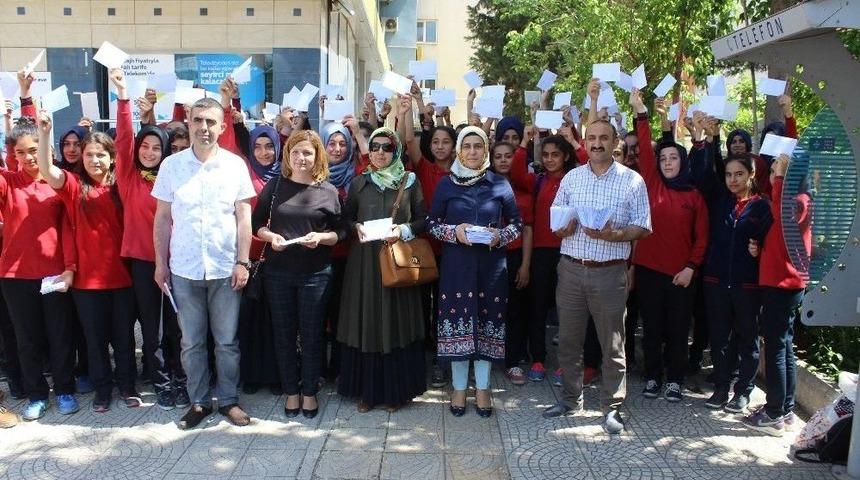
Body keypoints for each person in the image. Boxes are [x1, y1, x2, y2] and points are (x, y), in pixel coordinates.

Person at [152, 97, 256, 429]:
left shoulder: (235, 165)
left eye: (211, 122)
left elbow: (243, 218)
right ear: (189, 122)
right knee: (191, 341)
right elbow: (162, 219)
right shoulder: (171, 166)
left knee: (226, 341)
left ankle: (228, 400)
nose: (204, 128)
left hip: (226, 268)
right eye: (198, 121)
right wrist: (160, 263)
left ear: (222, 127)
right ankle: (198, 402)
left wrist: (243, 262)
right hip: (184, 269)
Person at [542, 118, 651, 435]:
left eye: (604, 137)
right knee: (569, 341)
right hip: (572, 268)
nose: (597, 143)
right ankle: (570, 399)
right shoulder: (572, 178)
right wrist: (563, 226)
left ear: (615, 141)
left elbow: (643, 226)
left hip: (609, 272)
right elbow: (557, 218)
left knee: (612, 344)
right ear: (585, 142)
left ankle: (612, 407)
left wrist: (614, 234)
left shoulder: (632, 181)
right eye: (591, 138)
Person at [36, 113, 138, 414]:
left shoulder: (123, 186)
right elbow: (47, 169)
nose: (94, 160)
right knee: (95, 342)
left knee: (123, 339)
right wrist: (44, 135)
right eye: (89, 154)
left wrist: (122, 98)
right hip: (87, 283)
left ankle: (128, 386)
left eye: (101, 154)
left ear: (111, 157)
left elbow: (127, 142)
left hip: (123, 279)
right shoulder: (73, 185)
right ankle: (102, 391)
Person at [429, 126, 522, 417]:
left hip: (491, 268)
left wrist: (500, 237)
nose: (472, 152)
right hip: (457, 267)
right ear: (459, 151)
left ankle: (482, 387)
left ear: (486, 151)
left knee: (485, 324)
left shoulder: (499, 184)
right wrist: (453, 231)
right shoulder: (447, 185)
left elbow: (517, 224)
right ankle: (458, 387)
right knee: (459, 323)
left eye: (478, 146)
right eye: (467, 146)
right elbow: (431, 224)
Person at [110, 69, 188, 411]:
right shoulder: (128, 178)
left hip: (177, 262)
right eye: (146, 146)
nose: (150, 151)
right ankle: (161, 383)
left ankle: (181, 378)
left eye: (157, 147)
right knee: (153, 330)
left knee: (177, 327)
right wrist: (124, 97)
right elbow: (124, 139)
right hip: (143, 264)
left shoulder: (172, 177)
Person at [253, 130, 345, 419]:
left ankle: (308, 393)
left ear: (318, 156)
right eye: (295, 152)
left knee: (313, 335)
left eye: (307, 152)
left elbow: (342, 232)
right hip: (278, 273)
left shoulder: (328, 191)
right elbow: (257, 224)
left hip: (316, 275)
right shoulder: (275, 186)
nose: (301, 158)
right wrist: (270, 237)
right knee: (283, 334)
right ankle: (291, 391)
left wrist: (322, 237)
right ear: (287, 155)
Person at [337, 127, 427, 413]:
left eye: (386, 148)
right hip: (364, 264)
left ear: (396, 151)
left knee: (396, 323)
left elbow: (425, 219)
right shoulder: (358, 183)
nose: (379, 152)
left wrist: (402, 229)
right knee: (368, 323)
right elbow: (346, 219)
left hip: (397, 261)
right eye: (374, 147)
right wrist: (356, 228)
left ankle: (396, 392)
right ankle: (368, 391)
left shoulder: (409, 181)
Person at [629, 90, 708, 402]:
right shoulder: (651, 183)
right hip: (649, 271)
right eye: (663, 158)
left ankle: (674, 379)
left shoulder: (694, 195)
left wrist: (691, 268)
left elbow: (702, 238)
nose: (667, 161)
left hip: (681, 275)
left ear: (683, 160)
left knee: (677, 330)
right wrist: (641, 113)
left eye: (673, 157)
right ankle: (652, 377)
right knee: (651, 328)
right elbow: (647, 152)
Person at [693, 119, 774, 413]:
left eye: (739, 174)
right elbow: (707, 172)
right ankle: (720, 388)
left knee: (747, 341)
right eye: (729, 175)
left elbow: (774, 244)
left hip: (747, 285)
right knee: (719, 340)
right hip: (716, 282)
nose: (733, 180)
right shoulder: (719, 200)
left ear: (751, 175)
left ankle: (743, 392)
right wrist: (710, 138)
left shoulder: (762, 206)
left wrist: (759, 248)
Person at [1, 114, 78, 420]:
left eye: (33, 149)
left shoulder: (57, 182)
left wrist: (69, 267)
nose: (28, 157)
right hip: (15, 276)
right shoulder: (8, 182)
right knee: (27, 339)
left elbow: (70, 229)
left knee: (59, 336)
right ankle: (36, 394)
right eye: (20, 152)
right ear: (13, 155)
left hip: (53, 274)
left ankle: (64, 390)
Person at [743, 153, 811, 436]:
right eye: (772, 171)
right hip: (780, 283)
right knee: (784, 346)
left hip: (784, 286)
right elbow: (782, 238)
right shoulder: (789, 202)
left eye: (777, 171)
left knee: (776, 349)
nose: (771, 176)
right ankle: (784, 408)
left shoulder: (797, 202)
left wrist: (782, 175)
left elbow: (784, 215)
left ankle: (773, 414)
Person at [510, 127, 579, 384]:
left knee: (567, 311)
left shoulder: (575, 179)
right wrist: (525, 142)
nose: (550, 159)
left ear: (565, 157)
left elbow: (585, 160)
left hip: (569, 251)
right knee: (537, 307)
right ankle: (538, 358)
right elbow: (517, 173)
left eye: (555, 155)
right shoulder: (538, 180)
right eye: (546, 155)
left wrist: (573, 137)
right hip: (540, 252)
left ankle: (565, 363)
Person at [490, 141, 533, 385]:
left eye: (509, 156)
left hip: (515, 256)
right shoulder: (483, 186)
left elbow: (527, 230)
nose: (504, 160)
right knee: (488, 309)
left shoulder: (523, 191)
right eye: (498, 156)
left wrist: (525, 264)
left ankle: (512, 362)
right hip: (488, 256)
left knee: (515, 311)